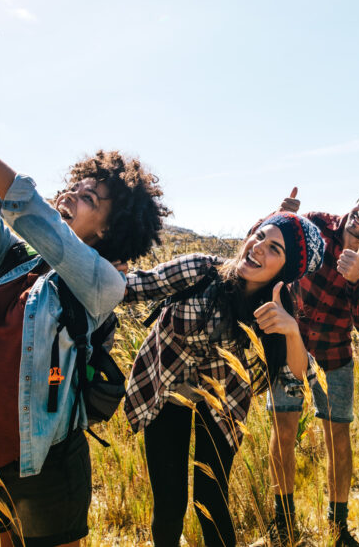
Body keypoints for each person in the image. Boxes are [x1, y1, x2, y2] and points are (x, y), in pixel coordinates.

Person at [0, 48, 168, 547]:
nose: (72, 195)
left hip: (47, 460)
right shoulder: (18, 265)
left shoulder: (101, 283)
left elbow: (33, 214)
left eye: (89, 199)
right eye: (74, 187)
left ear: (109, 232)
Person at [122, 211, 324, 547]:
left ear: (285, 271)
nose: (259, 248)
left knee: (211, 499)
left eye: (275, 248)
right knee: (170, 503)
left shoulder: (275, 308)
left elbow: (300, 374)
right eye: (259, 237)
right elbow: (137, 286)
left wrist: (290, 330)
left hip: (223, 403)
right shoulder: (201, 270)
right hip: (165, 392)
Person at [261, 186, 359, 546]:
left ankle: (339, 528)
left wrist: (358, 280)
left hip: (335, 353)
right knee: (283, 432)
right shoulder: (314, 225)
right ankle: (284, 524)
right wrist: (276, 219)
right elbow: (264, 256)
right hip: (289, 342)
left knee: (338, 438)